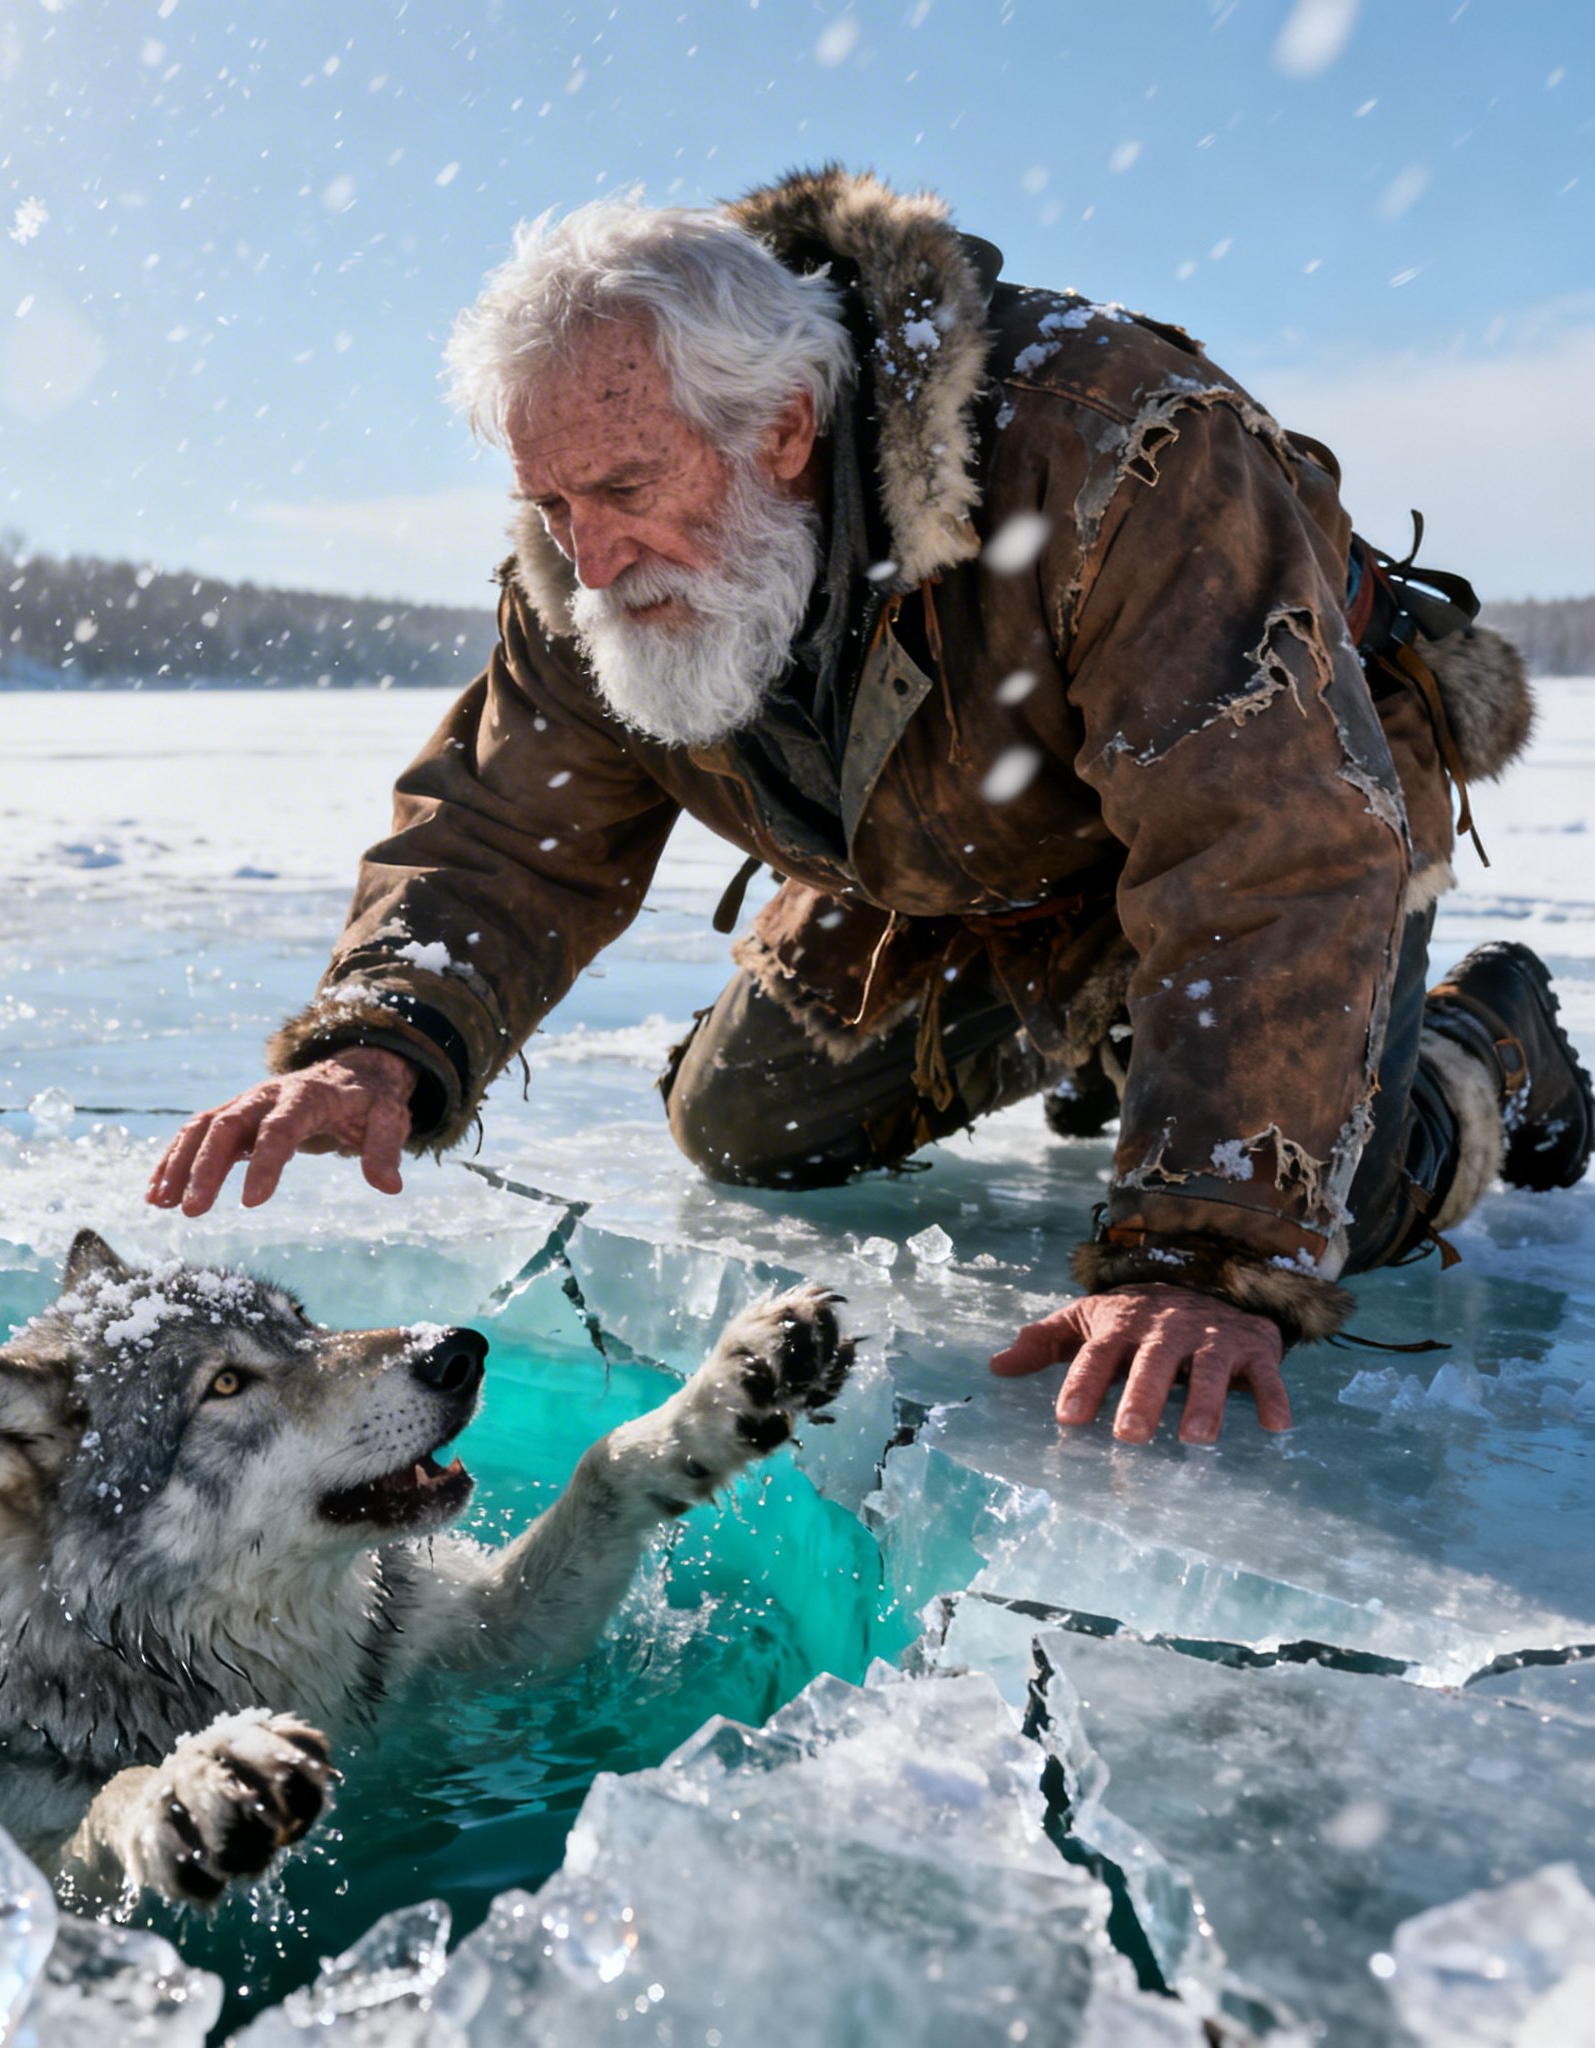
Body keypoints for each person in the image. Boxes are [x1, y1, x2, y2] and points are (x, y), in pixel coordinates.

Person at [147, 169, 1590, 1447]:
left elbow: (1265, 854)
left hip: (1280, 802)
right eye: (551, 502)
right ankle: (1119, 1035)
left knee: (1334, 1200)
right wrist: (384, 1038)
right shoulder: (588, 544)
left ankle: (1487, 1046)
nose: (586, 561)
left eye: (622, 491)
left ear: (786, 426)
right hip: (956, 854)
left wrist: (1208, 1262)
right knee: (752, 1126)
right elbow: (506, 826)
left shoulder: (1115, 444)